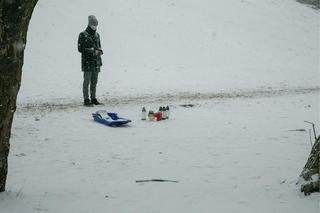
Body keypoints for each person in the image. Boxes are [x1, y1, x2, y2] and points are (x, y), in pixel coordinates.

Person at [78, 15, 103, 106]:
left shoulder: (97, 35)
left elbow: (98, 46)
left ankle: (93, 98)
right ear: (89, 24)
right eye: (93, 25)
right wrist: (92, 51)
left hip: (96, 62)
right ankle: (86, 99)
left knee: (94, 81)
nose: (95, 27)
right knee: (87, 81)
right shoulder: (82, 35)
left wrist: (99, 51)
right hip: (87, 62)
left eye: (96, 25)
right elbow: (80, 49)